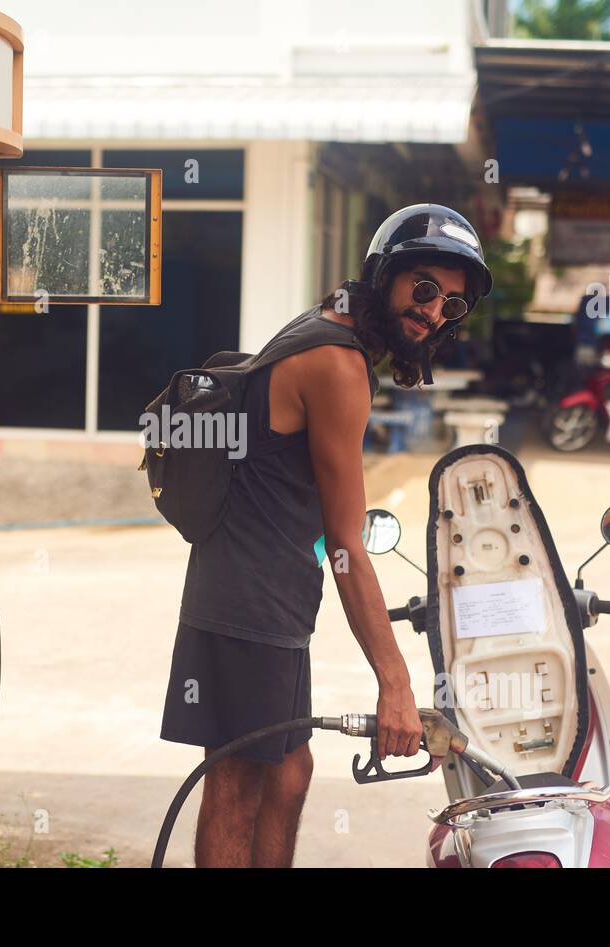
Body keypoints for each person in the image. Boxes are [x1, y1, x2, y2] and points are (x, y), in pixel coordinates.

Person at [159, 204, 493, 866]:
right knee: (237, 785)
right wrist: (395, 682)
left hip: (268, 599)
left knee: (286, 772)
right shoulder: (338, 367)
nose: (432, 311)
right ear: (385, 274)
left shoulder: (327, 329)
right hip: (245, 604)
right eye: (423, 288)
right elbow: (345, 543)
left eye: (451, 305)